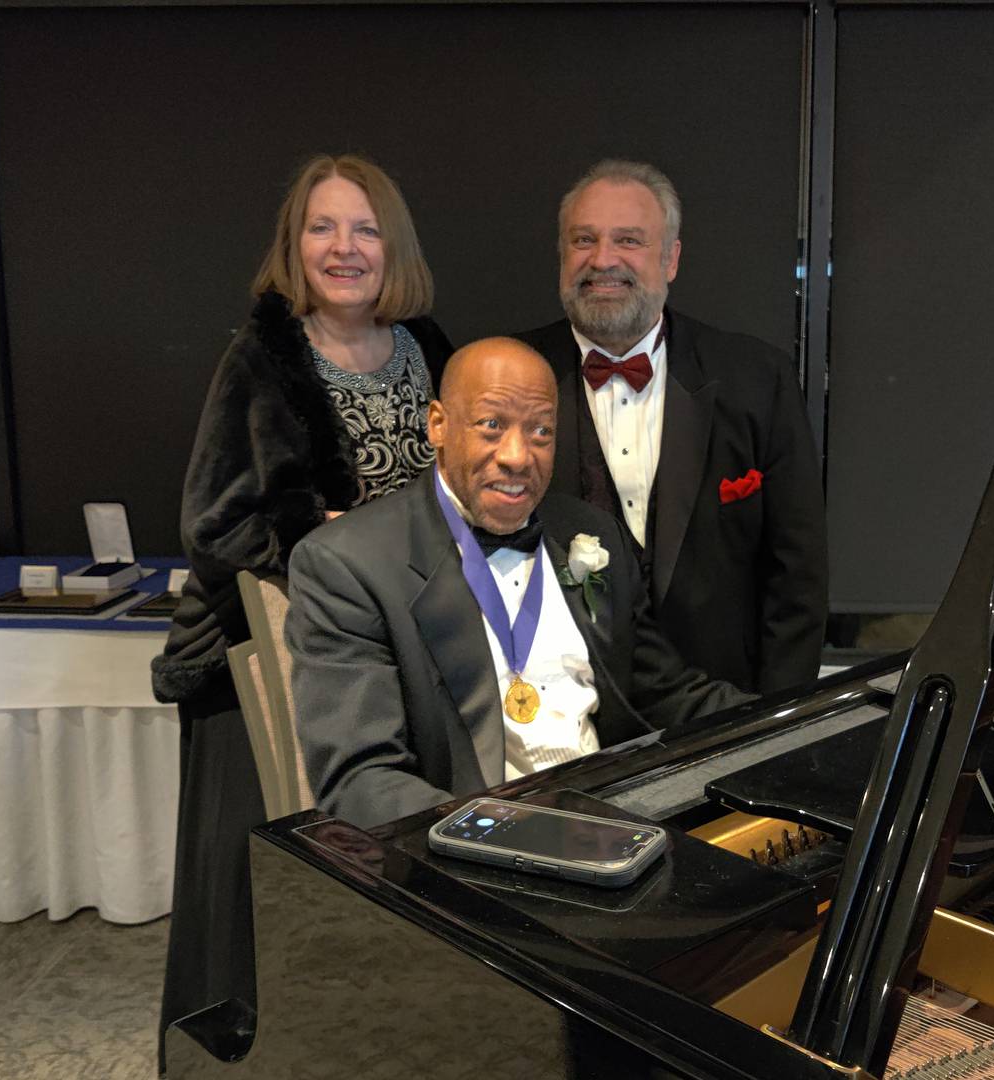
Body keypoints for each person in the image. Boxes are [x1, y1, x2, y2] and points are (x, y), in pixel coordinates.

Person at [150, 154, 452, 1067]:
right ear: (294, 243)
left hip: (395, 649)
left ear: (391, 244)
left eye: (364, 228)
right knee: (257, 878)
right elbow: (212, 523)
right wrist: (321, 540)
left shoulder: (427, 346)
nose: (344, 247)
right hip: (263, 660)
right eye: (323, 227)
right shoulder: (260, 358)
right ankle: (237, 1053)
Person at [286, 338, 751, 829]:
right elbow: (361, 780)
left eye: (541, 431)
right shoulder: (347, 563)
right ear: (438, 425)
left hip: (618, 827)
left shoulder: (589, 533)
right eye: (492, 425)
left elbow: (666, 692)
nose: (517, 456)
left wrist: (801, 726)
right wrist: (509, 836)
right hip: (475, 854)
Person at [514, 159, 827, 695]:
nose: (603, 259)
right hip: (556, 716)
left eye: (629, 240)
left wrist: (774, 731)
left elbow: (796, 577)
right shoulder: (509, 374)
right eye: (583, 239)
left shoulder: (757, 378)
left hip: (722, 714)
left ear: (671, 258)